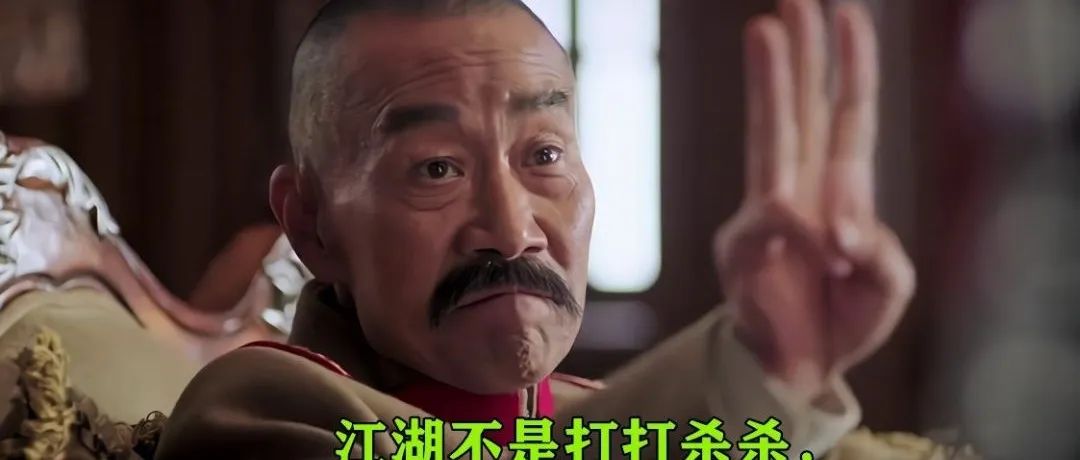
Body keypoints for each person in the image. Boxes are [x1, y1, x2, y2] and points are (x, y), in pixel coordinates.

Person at [156, 0, 915, 458]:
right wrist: (751, 373)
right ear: (312, 224)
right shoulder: (260, 410)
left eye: (544, 155)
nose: (512, 230)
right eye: (437, 168)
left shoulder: (606, 415)